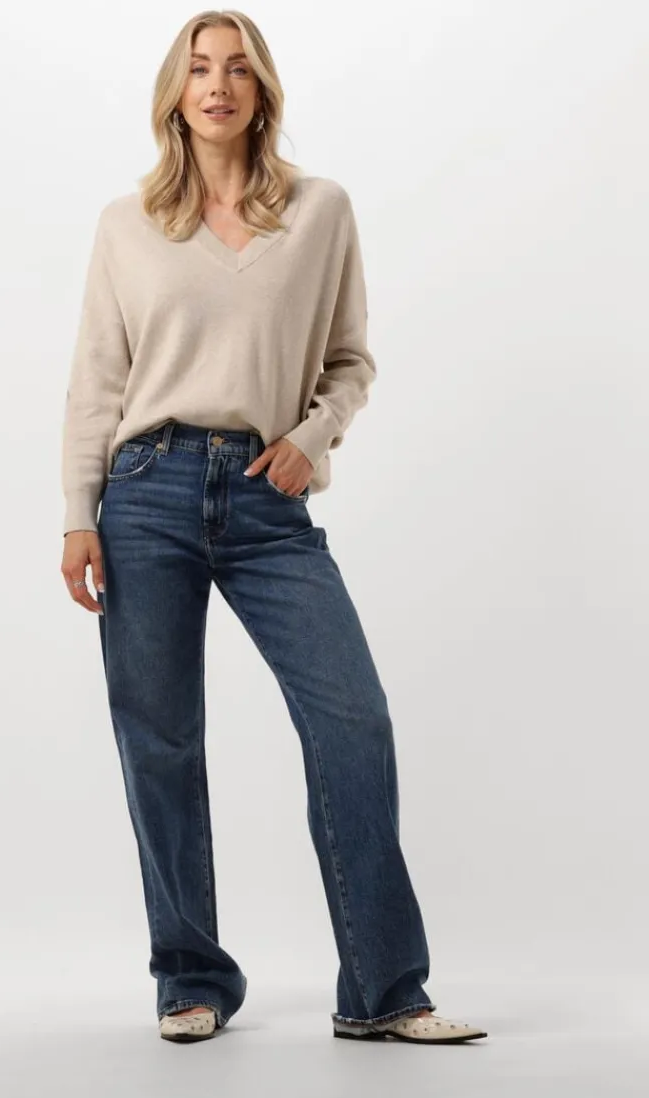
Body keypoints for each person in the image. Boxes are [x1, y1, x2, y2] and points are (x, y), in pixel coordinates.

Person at [60, 9, 488, 1046]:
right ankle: (191, 979)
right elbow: (97, 382)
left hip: (266, 497)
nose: (218, 85)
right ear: (175, 93)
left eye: (238, 69)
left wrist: (311, 437)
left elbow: (350, 361)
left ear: (263, 91)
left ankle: (383, 991)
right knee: (160, 740)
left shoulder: (319, 210)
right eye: (199, 68)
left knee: (353, 722)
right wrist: (78, 515)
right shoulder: (127, 225)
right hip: (147, 491)